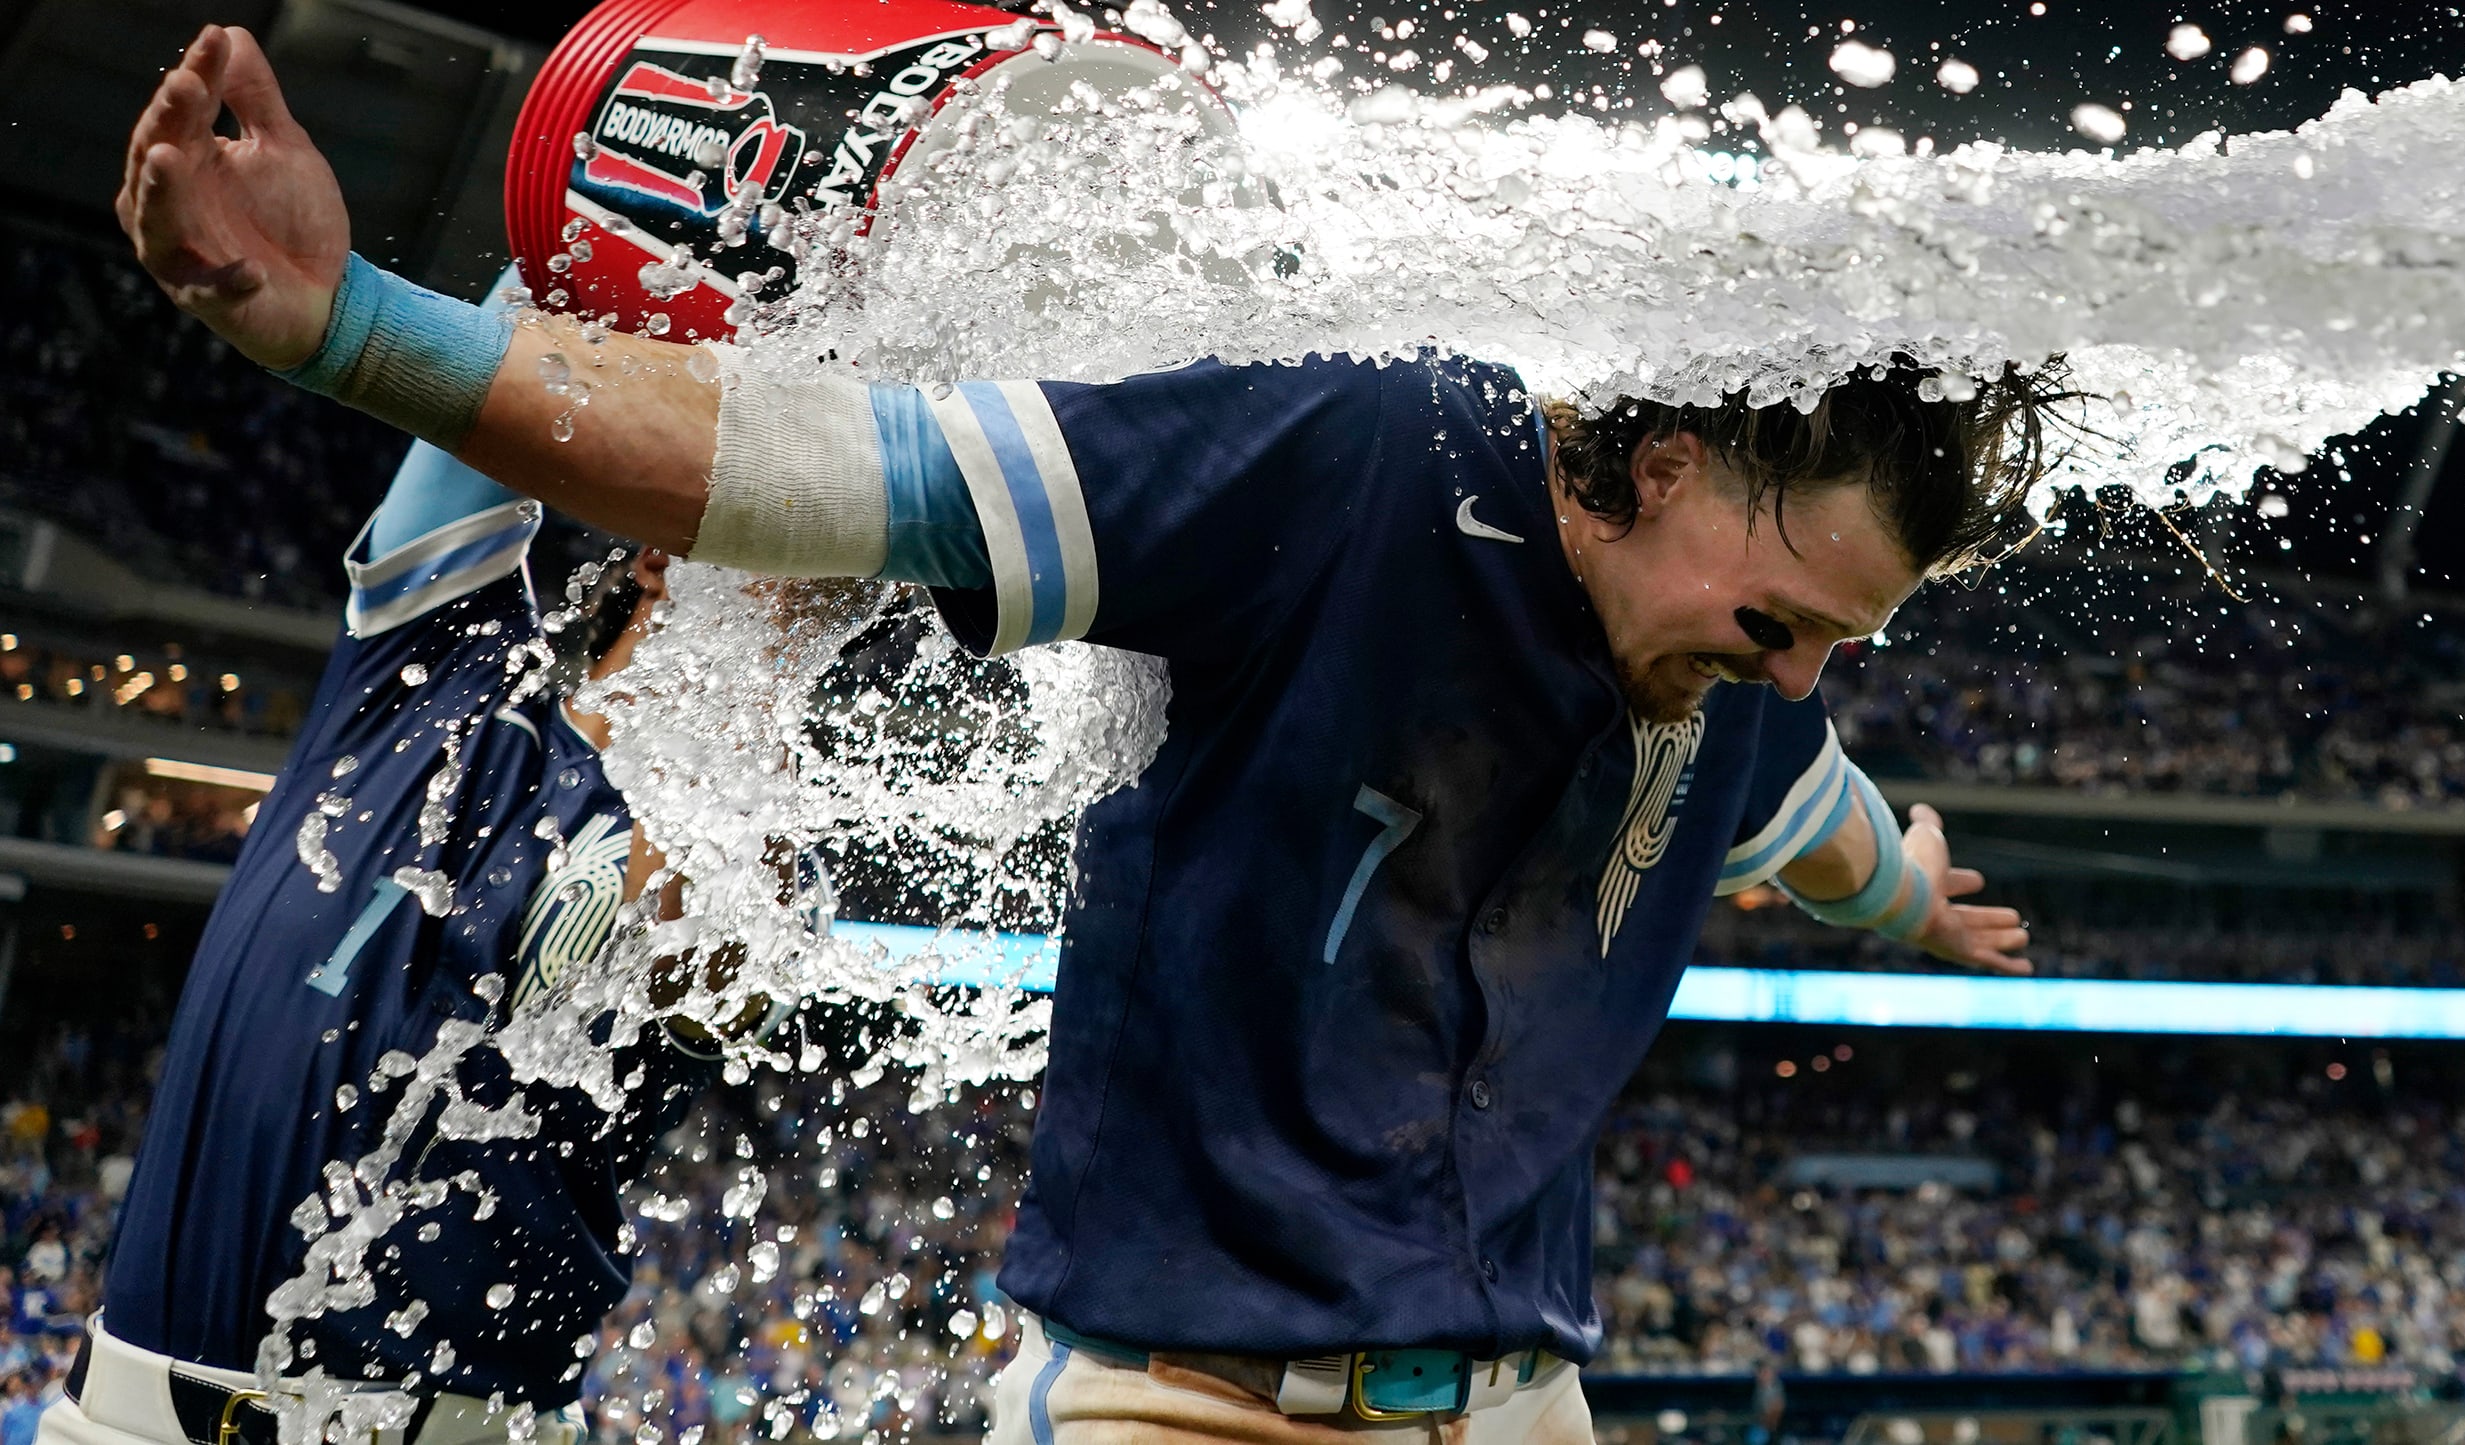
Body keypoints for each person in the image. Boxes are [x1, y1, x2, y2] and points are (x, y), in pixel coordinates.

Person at [117, 25, 2045, 1445]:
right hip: (1174, 1394)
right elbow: (776, 443)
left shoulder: (1724, 694)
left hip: (1519, 1394)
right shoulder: (441, 658)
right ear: (1667, 458)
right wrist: (349, 314)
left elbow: (1827, 817)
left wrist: (1911, 914)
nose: (1796, 675)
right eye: (1787, 622)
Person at [31, 266, 733, 1442]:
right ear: (661, 555)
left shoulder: (761, 855)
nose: (817, 600)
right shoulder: (430, 663)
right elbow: (529, 301)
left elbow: (688, 951)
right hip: (120, 1417)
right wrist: (651, 194)